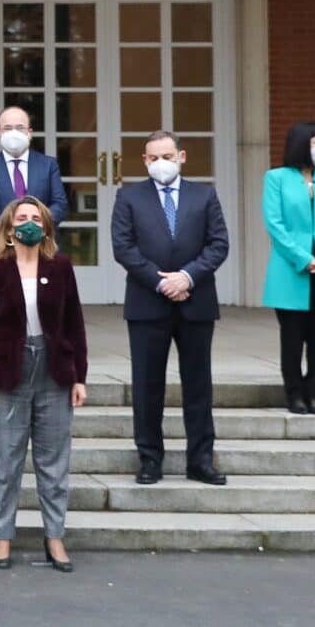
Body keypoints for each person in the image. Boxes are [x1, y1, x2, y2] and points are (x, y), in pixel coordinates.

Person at [0, 196, 87, 573]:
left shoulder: (61, 267)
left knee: (53, 462)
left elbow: (74, 323)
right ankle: (2, 536)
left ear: (46, 226)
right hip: (9, 371)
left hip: (53, 371)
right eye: (21, 218)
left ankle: (54, 537)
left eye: (35, 218)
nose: (28, 223)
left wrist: (79, 376)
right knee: (6, 460)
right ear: (8, 227)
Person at [111, 129, 229, 486]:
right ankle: (149, 458)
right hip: (148, 304)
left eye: (167, 156)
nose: (160, 163)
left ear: (182, 156)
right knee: (147, 385)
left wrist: (187, 278)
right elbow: (123, 247)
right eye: (153, 157)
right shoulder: (129, 196)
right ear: (145, 160)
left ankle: (201, 459)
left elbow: (218, 244)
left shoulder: (204, 195)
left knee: (198, 384)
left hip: (196, 302)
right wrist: (161, 281)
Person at [262, 120, 315, 416]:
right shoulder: (276, 178)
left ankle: (314, 392)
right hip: (290, 268)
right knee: (292, 336)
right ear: (302, 145)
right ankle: (295, 393)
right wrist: (303, 258)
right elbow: (275, 224)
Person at [0, 106, 70, 270]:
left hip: (44, 250)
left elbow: (60, 204)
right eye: (7, 128)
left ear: (29, 132)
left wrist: (35, 227)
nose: (13, 132)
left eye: (19, 128)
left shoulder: (48, 165)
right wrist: (12, 228)